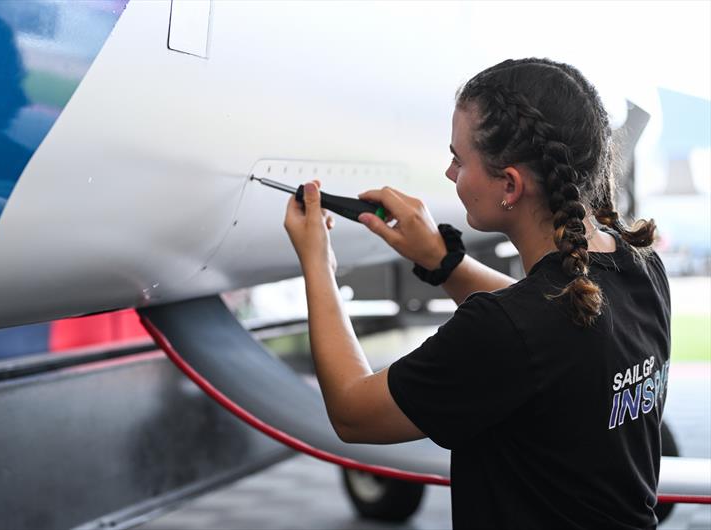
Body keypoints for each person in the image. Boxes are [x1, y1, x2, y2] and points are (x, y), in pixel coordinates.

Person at [283, 58, 669, 529]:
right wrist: (442, 261)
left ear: (509, 185)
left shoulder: (508, 329)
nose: (449, 173)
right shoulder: (641, 267)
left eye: (459, 159)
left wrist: (317, 263)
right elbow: (544, 333)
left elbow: (352, 411)